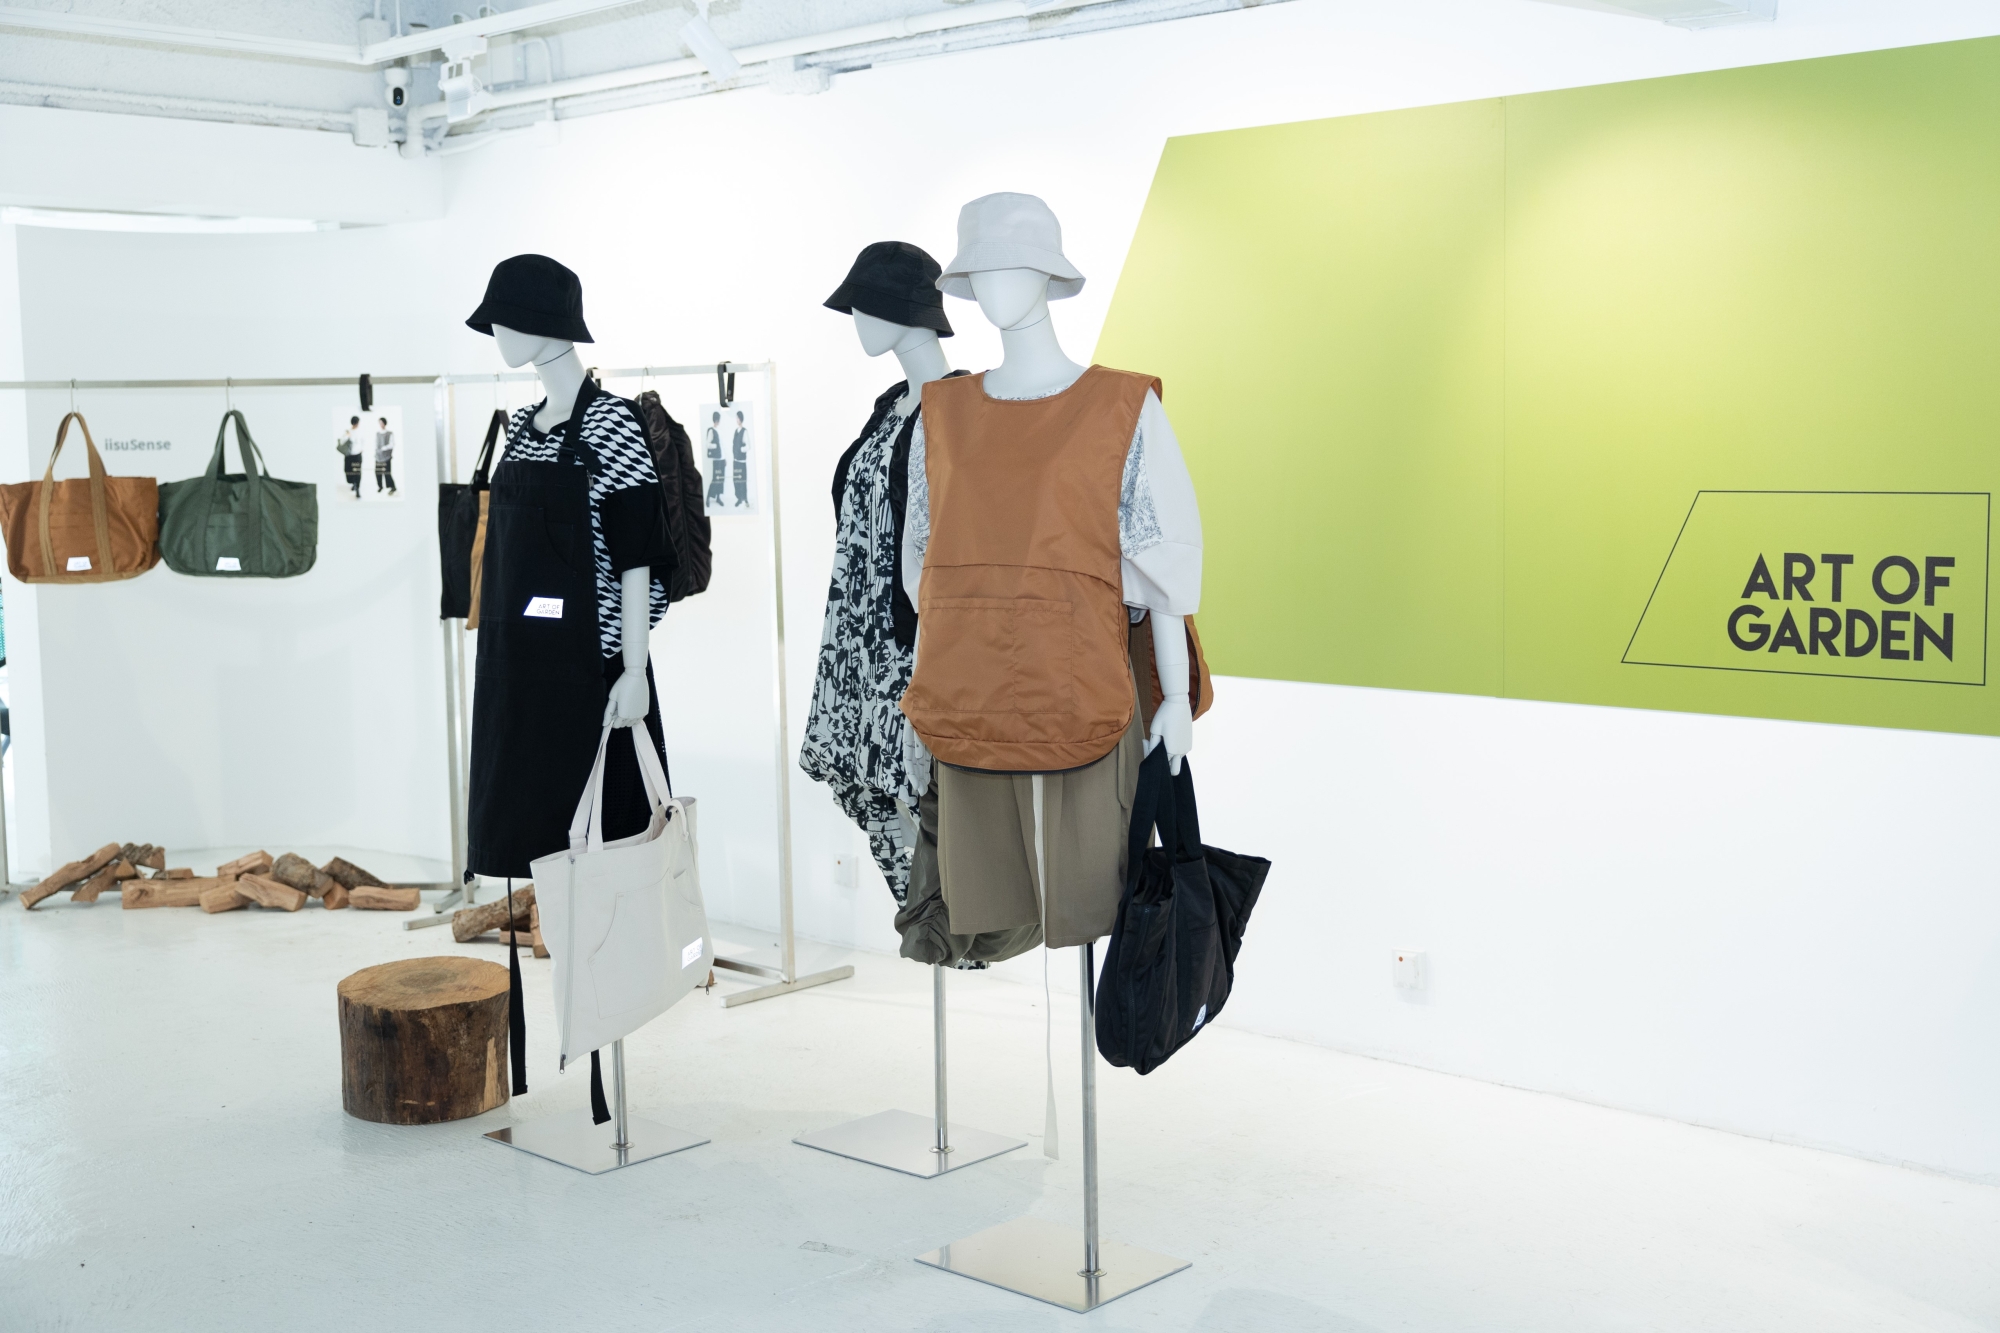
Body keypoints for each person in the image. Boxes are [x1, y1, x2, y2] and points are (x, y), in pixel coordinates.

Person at [336, 415, 363, 498]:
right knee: (348, 471)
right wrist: (347, 435)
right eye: (356, 423)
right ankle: (353, 483)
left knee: (357, 472)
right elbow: (341, 442)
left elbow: (363, 441)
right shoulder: (348, 431)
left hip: (357, 455)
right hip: (349, 455)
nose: (357, 424)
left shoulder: (360, 431)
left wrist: (362, 448)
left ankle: (357, 489)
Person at [705, 410, 726, 508]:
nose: (718, 421)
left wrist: (725, 458)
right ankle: (708, 497)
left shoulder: (719, 431)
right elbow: (708, 444)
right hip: (716, 460)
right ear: (716, 420)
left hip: (722, 459)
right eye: (717, 420)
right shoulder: (711, 430)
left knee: (721, 480)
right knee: (715, 479)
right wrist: (716, 446)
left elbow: (722, 446)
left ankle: (718, 497)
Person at [730, 409, 749, 508]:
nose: (736, 419)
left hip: (742, 461)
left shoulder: (744, 431)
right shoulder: (735, 431)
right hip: (735, 461)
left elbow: (748, 446)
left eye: (738, 418)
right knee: (736, 480)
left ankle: (745, 499)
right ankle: (739, 498)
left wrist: (741, 449)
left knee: (743, 481)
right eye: (736, 418)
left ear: (741, 419)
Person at [373, 416, 397, 495]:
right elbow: (375, 443)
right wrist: (376, 450)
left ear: (385, 423)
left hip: (386, 456)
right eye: (379, 423)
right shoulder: (377, 433)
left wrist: (384, 448)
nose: (381, 424)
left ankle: (392, 487)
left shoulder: (389, 433)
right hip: (378, 456)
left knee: (387, 473)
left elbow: (392, 444)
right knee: (378, 472)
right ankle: (380, 486)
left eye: (382, 423)